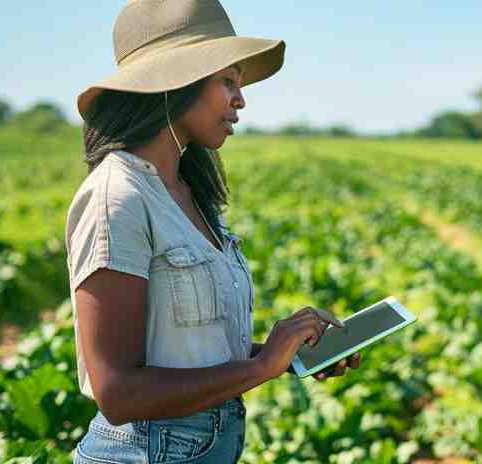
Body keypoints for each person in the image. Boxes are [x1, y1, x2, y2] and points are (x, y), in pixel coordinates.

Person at [66, 1, 360, 462]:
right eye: (228, 81)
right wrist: (261, 366)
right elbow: (118, 393)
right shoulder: (117, 197)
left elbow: (186, 349)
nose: (240, 100)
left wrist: (287, 355)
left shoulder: (187, 191)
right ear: (175, 82)